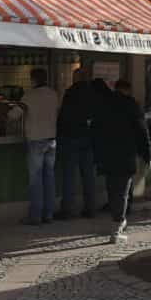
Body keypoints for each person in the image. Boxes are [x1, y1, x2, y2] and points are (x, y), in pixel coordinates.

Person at [94, 79, 151, 242]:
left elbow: (96, 129)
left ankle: (117, 220)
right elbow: (142, 131)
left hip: (107, 153)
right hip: (125, 153)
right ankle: (117, 226)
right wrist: (146, 154)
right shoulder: (131, 105)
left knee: (112, 188)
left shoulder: (104, 105)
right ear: (127, 90)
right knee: (123, 191)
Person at [20, 68, 59, 226]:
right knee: (49, 178)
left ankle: (35, 216)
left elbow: (14, 114)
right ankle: (49, 214)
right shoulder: (53, 94)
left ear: (33, 79)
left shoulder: (29, 96)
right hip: (52, 140)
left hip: (36, 140)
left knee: (36, 180)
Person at [56, 68, 96, 219]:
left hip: (71, 137)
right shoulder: (93, 93)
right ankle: (90, 208)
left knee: (69, 175)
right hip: (88, 137)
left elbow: (64, 116)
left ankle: (68, 209)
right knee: (88, 175)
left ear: (76, 78)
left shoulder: (71, 92)